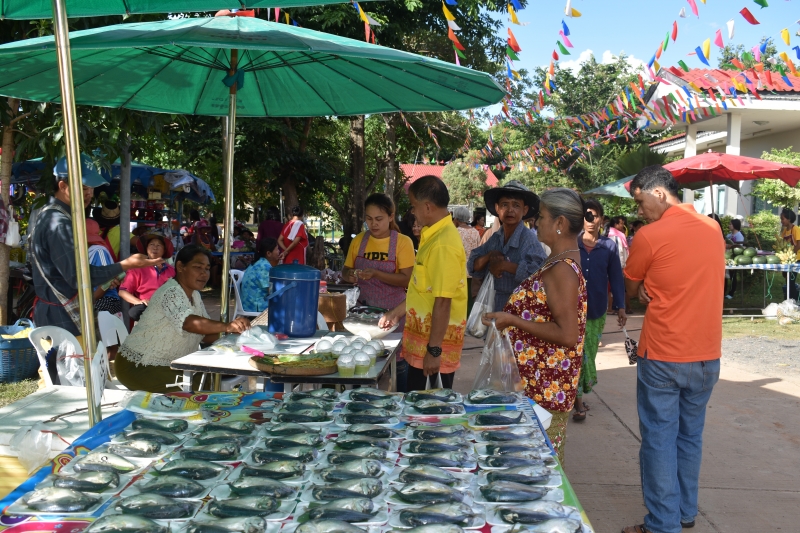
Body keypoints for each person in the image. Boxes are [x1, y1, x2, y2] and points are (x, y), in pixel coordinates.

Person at [621, 166, 723, 533]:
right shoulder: (713, 229)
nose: (639, 211)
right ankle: (684, 512)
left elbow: (631, 289)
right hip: (707, 355)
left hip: (664, 353)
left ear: (659, 193)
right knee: (690, 437)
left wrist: (642, 289)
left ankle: (663, 524)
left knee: (659, 441)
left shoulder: (649, 236)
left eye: (640, 202)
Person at [482, 187, 588, 465]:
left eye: (541, 216)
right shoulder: (558, 260)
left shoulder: (562, 269)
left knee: (537, 467)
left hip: (544, 390)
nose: (536, 222)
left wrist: (513, 320)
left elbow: (568, 334)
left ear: (559, 222)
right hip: (536, 386)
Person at [30, 154, 163, 340]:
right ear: (63, 186)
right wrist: (126, 265)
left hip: (56, 315)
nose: (89, 194)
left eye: (92, 188)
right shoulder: (59, 223)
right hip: (62, 320)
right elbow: (78, 277)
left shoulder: (50, 215)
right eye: (84, 188)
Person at [116, 245, 251, 392]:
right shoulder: (170, 292)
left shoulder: (195, 295)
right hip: (137, 366)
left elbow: (205, 334)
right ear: (180, 267)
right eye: (197, 267)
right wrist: (227, 326)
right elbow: (188, 323)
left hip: (169, 364)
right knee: (201, 386)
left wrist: (235, 333)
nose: (204, 273)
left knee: (210, 378)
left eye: (207, 269)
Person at [379, 176, 467, 391]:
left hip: (434, 350)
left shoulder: (443, 243)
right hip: (423, 345)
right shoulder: (433, 235)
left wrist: (434, 351)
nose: (412, 212)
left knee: (429, 409)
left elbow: (443, 301)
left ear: (427, 207)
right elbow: (423, 291)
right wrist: (397, 312)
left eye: (413, 206)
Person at [343, 194, 415, 392]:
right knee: (361, 360)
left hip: (394, 315)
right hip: (362, 316)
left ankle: (400, 400)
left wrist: (376, 273)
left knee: (397, 364)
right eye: (369, 219)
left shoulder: (402, 242)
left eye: (379, 219)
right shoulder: (359, 241)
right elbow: (345, 270)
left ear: (391, 217)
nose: (373, 224)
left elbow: (407, 279)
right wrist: (350, 275)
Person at [572, 199, 626, 421]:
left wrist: (621, 306)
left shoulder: (609, 247)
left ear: (601, 219)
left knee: (589, 354)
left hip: (596, 309)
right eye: (585, 216)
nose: (589, 220)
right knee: (577, 354)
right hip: (571, 310)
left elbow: (616, 278)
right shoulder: (571, 244)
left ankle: (578, 395)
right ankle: (577, 401)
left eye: (593, 216)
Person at [468, 180, 547, 312]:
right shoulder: (495, 238)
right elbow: (472, 264)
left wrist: (504, 266)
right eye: (505, 205)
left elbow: (540, 274)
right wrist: (489, 256)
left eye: (516, 205)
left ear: (525, 210)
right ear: (497, 208)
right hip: (493, 307)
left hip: (520, 311)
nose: (510, 210)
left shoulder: (529, 240)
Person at [119, 231, 176, 321]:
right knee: (134, 312)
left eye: (159, 245)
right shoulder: (136, 269)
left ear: (164, 250)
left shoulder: (172, 270)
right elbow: (122, 291)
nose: (155, 248)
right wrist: (138, 301)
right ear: (147, 248)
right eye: (152, 244)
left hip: (169, 311)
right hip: (146, 310)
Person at [87, 219, 122, 318]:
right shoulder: (85, 252)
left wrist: (90, 300)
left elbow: (107, 281)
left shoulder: (99, 251)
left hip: (106, 299)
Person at [240, 237, 282, 313]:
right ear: (268, 253)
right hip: (256, 305)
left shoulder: (259, 262)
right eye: (276, 249)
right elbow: (272, 290)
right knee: (284, 302)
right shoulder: (264, 266)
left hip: (248, 303)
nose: (279, 251)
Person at [725, 219, 746, 299]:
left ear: (735, 225)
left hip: (734, 258)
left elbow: (739, 248)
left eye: (730, 224)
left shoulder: (739, 236)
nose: (729, 225)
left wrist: (730, 246)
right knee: (726, 276)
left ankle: (731, 292)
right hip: (727, 257)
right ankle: (725, 292)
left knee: (733, 275)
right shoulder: (729, 235)